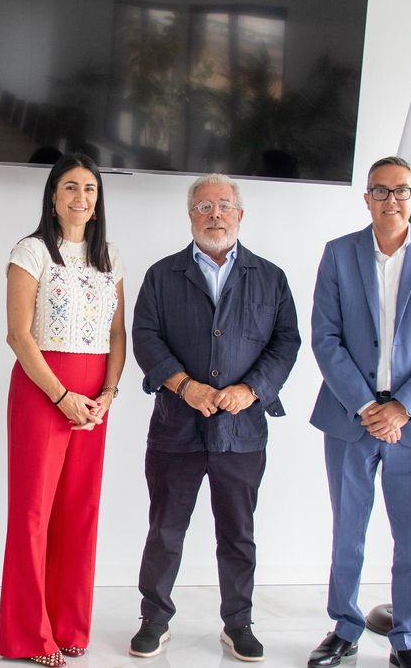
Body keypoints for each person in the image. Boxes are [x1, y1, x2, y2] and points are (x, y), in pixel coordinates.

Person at [129, 173, 300, 662]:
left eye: (224, 205)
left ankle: (238, 623)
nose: (214, 215)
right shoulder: (163, 275)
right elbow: (145, 337)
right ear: (190, 217)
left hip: (242, 432)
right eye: (203, 207)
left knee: (238, 532)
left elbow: (286, 342)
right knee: (165, 529)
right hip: (175, 429)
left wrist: (251, 390)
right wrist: (185, 385)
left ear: (240, 215)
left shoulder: (270, 277)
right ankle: (154, 619)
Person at [306, 156, 411, 668]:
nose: (391, 199)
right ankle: (345, 628)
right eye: (381, 190)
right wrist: (365, 405)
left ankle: (405, 639)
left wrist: (401, 407)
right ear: (367, 198)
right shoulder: (338, 254)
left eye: (402, 191)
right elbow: (325, 338)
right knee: (347, 529)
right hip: (349, 420)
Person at [0, 153, 127, 668]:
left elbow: (118, 335)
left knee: (81, 512)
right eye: (70, 187)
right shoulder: (30, 252)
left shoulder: (111, 258)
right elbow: (18, 335)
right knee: (33, 513)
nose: (81, 197)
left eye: (90, 190)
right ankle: (29, 635)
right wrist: (61, 396)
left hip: (96, 401)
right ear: (53, 197)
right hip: (42, 392)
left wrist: (108, 395)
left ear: (97, 203)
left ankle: (70, 626)